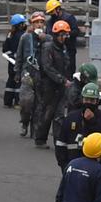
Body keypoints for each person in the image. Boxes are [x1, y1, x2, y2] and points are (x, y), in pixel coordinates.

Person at [53, 85, 101, 175]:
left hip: (97, 167)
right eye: (86, 100)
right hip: (72, 166)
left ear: (97, 101)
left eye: (92, 100)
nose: (88, 103)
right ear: (82, 99)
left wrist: (93, 121)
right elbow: (61, 143)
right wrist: (64, 165)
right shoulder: (71, 117)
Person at [34, 21, 74, 152]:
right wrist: (62, 80)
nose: (64, 38)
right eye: (61, 35)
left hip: (61, 85)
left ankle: (58, 140)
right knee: (47, 112)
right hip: (48, 86)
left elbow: (66, 66)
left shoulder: (64, 49)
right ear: (56, 35)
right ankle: (40, 138)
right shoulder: (48, 48)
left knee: (59, 114)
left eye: (65, 35)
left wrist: (66, 80)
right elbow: (47, 67)